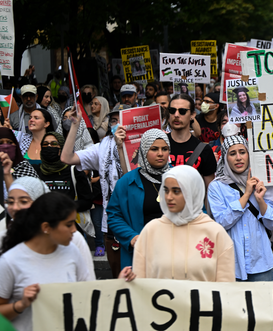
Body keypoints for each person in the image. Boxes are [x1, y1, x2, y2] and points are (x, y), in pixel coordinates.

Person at [0, 192, 135, 331]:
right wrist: (20, 305)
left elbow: (89, 294)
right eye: (69, 224)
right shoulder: (9, 262)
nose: (74, 230)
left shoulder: (72, 251)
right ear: (46, 227)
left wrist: (117, 285)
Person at [133, 165, 235, 281]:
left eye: (176, 191)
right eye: (166, 190)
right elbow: (138, 286)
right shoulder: (151, 231)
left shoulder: (215, 233)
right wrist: (126, 281)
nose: (169, 197)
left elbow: (226, 289)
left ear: (192, 192)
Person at [60, 105, 129, 277]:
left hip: (136, 220)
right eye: (113, 120)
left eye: (121, 120)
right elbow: (67, 158)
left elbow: (130, 181)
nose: (117, 124)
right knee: (117, 276)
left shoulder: (145, 145)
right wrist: (76, 125)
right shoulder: (102, 147)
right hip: (112, 223)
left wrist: (121, 148)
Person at [208, 135, 273, 281]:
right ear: (225, 158)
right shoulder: (216, 187)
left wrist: (260, 201)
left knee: (263, 303)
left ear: (249, 155)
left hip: (261, 263)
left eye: (242, 152)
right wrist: (247, 194)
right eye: (232, 153)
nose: (238, 158)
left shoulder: (263, 181)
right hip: (230, 266)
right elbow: (222, 222)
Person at [107, 129, 171, 269]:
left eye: (165, 149)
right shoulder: (127, 182)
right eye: (154, 149)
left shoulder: (180, 178)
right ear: (143, 150)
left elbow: (195, 210)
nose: (160, 153)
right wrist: (131, 237)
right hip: (141, 254)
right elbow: (114, 216)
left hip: (174, 252)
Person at [33, 132, 93, 219]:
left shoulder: (74, 171)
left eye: (54, 144)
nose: (49, 147)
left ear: (61, 148)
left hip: (68, 224)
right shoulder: (36, 171)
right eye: (45, 144)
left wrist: (64, 207)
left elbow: (87, 201)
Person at [167, 94, 216, 189]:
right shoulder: (159, 145)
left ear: (192, 115)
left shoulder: (204, 150)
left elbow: (210, 190)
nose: (176, 115)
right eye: (172, 111)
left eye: (182, 111)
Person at [0, 128, 39, 193]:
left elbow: (30, 195)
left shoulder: (23, 167)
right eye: (0, 143)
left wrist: (7, 173)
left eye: (9, 142)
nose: (5, 146)